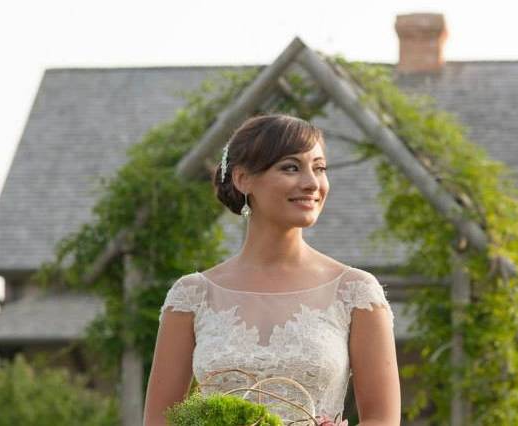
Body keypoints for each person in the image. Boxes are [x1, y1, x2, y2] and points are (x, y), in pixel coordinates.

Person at [143, 113, 401, 425]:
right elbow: (161, 420)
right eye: (291, 167)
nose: (311, 183)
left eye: (319, 168)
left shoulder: (356, 291)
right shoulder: (191, 295)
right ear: (242, 179)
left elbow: (382, 419)